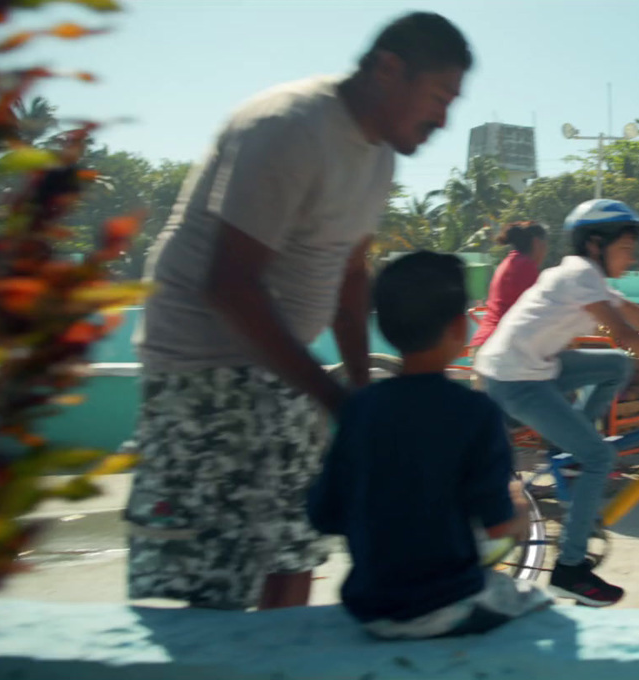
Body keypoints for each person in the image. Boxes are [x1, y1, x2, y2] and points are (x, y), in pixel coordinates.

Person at [122, 12, 471, 611]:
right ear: (389, 69)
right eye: (438, 97)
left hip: (287, 376)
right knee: (214, 586)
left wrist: (361, 388)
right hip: (205, 377)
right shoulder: (290, 126)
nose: (444, 119)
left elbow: (352, 273)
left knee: (295, 553)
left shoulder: (379, 157)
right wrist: (336, 400)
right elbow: (230, 285)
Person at [474, 199, 639, 608]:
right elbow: (625, 333)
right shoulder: (580, 274)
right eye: (626, 247)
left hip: (534, 367)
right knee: (600, 458)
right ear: (596, 244)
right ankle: (570, 570)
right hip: (513, 380)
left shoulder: (588, 279)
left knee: (616, 367)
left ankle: (569, 449)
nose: (633, 257)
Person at [308, 252, 552, 640]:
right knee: (543, 608)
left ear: (386, 329)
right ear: (459, 326)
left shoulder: (358, 409)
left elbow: (324, 514)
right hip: (448, 605)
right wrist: (520, 509)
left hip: (370, 608)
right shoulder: (476, 413)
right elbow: (499, 525)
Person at [470, 221, 548, 348]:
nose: (545, 252)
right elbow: (541, 310)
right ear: (537, 243)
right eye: (545, 245)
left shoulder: (507, 263)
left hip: (485, 341)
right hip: (501, 345)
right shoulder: (526, 266)